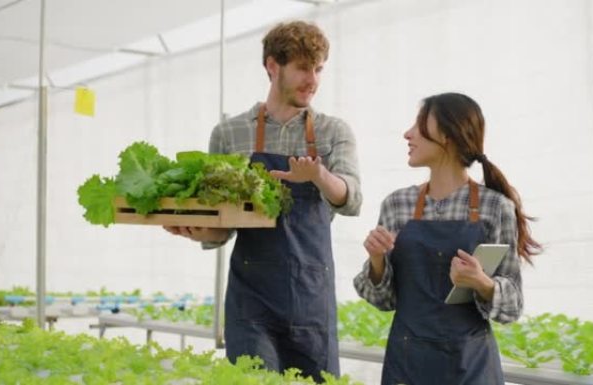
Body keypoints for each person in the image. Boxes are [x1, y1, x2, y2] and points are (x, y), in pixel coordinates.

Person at [164, 21, 361, 382]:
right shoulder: (229, 133)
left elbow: (351, 198)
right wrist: (196, 230)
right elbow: (221, 227)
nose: (313, 79)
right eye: (303, 67)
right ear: (273, 66)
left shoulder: (333, 132)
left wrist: (318, 176)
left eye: (318, 69)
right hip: (251, 297)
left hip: (310, 298)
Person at [354, 92, 541, 385]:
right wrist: (377, 261)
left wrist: (482, 283)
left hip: (470, 367)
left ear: (448, 136)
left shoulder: (495, 208)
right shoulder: (397, 204)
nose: (407, 134)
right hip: (407, 365)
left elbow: (512, 307)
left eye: (418, 125)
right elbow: (383, 300)